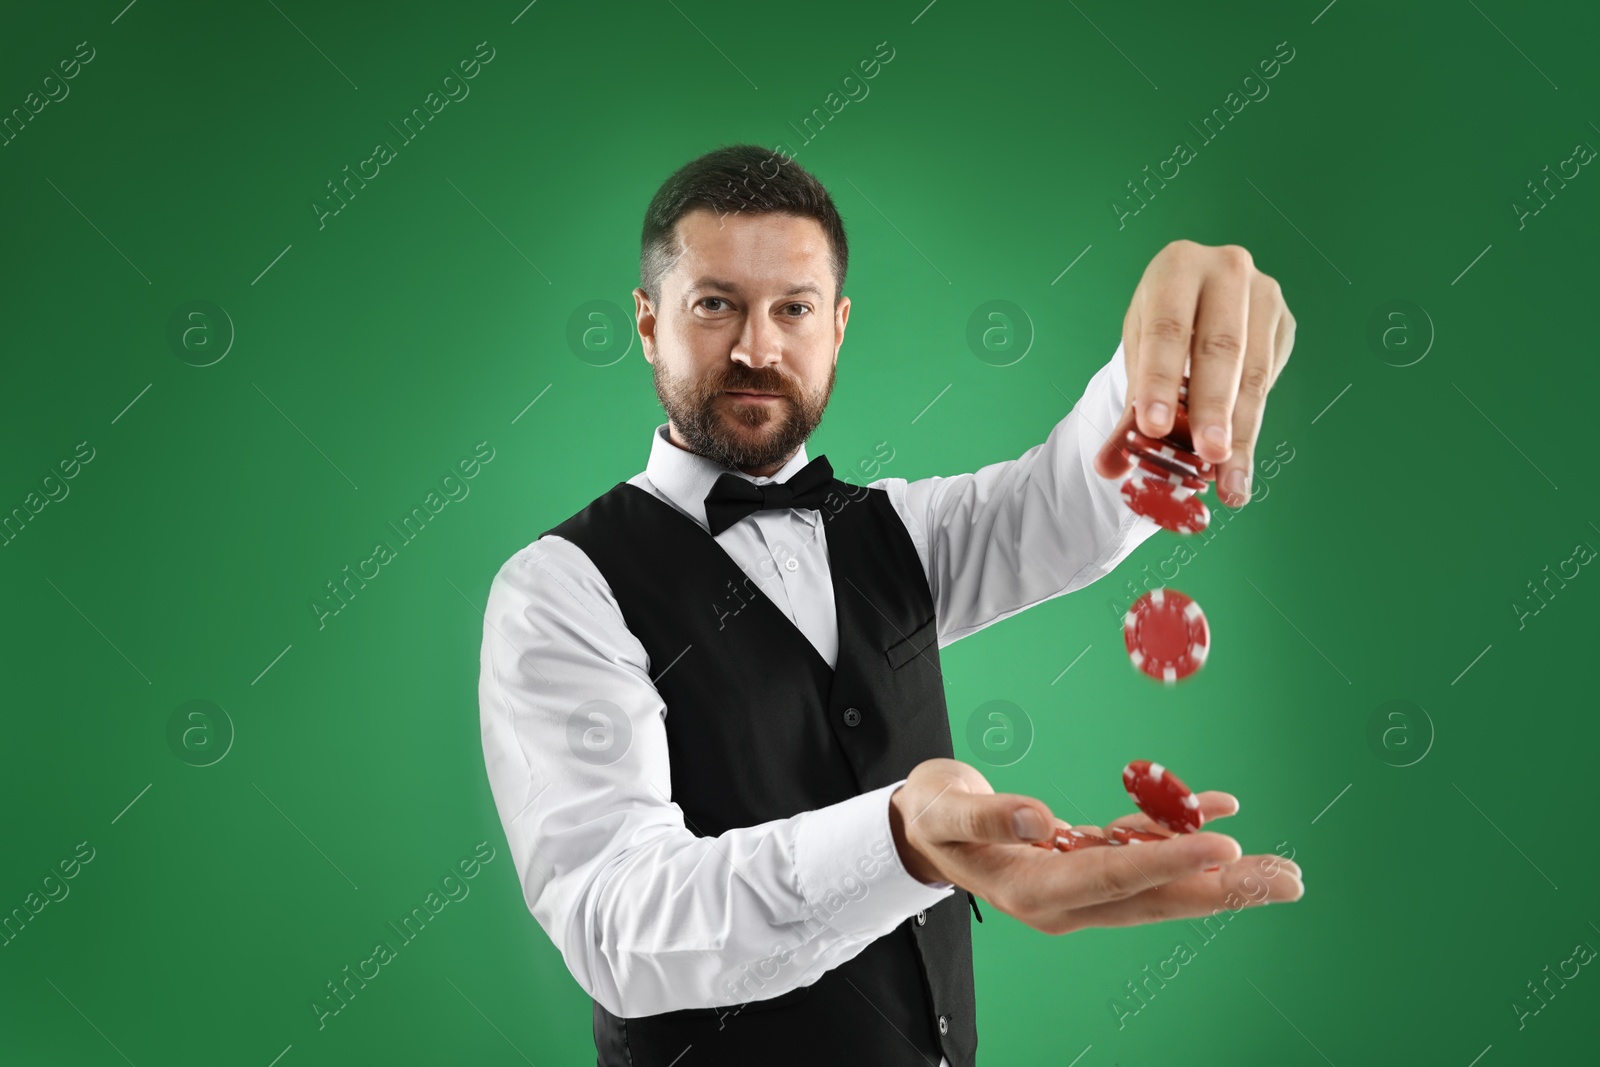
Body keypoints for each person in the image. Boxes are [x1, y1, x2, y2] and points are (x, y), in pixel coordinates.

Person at [477, 143, 1304, 1067]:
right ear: (646, 321)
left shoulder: (896, 531)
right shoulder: (561, 586)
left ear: (836, 327)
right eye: (715, 304)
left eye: (792, 308)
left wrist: (1177, 344)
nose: (757, 346)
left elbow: (1069, 501)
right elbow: (618, 923)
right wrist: (902, 839)